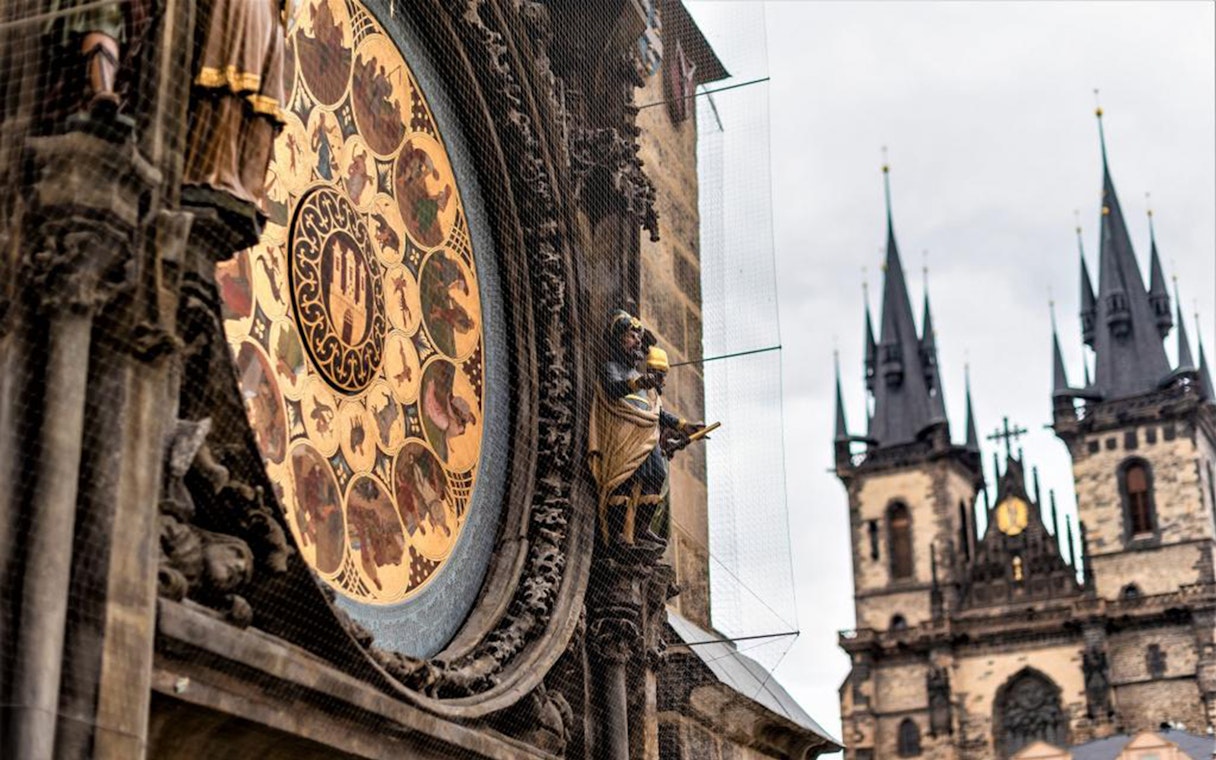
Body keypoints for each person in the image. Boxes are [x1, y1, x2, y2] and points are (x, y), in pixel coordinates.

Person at [587, 311, 703, 547]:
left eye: (638, 338)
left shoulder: (640, 376)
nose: (637, 342)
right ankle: (619, 531)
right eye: (631, 336)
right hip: (624, 432)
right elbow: (612, 388)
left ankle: (641, 529)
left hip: (646, 435)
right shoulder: (613, 368)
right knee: (624, 480)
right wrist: (638, 383)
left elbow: (657, 412)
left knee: (656, 475)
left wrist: (683, 425)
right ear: (618, 339)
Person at [183, 0, 288, 212]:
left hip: (273, 12)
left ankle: (247, 184)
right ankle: (216, 170)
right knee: (233, 75)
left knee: (263, 102)